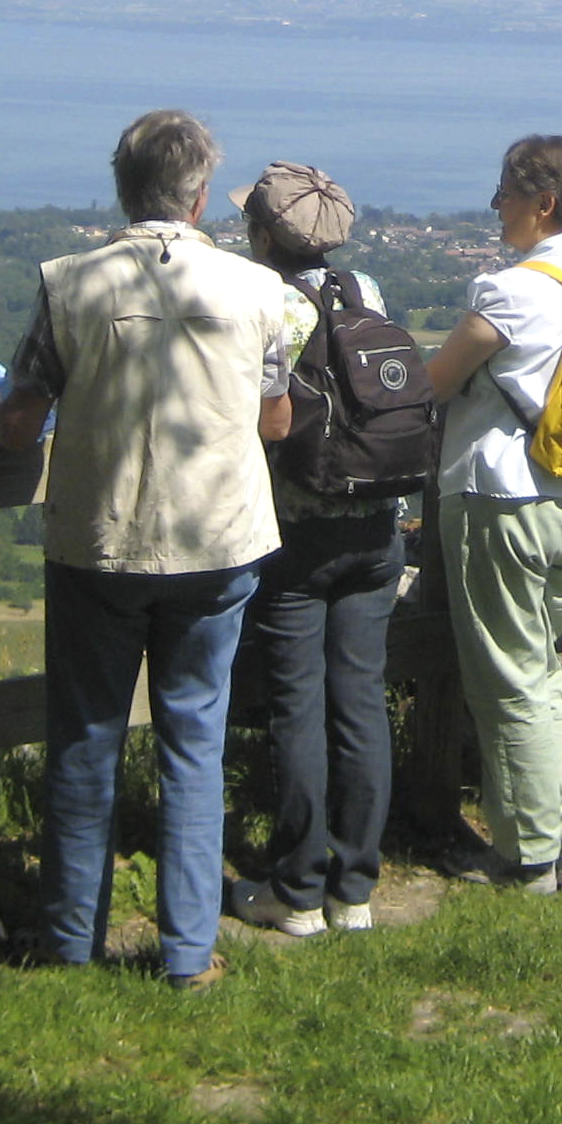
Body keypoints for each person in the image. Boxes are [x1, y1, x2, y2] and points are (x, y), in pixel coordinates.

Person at [0, 110, 294, 992]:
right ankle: (188, 952)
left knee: (85, 737)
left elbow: (17, 422)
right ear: (198, 195)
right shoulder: (259, 290)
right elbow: (275, 419)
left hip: (100, 540)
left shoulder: (71, 283)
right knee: (196, 738)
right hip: (219, 540)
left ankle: (70, 936)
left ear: (121, 185)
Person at [422, 134, 562, 893]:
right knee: (537, 670)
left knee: (507, 679)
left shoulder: (508, 291)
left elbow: (434, 383)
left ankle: (528, 856)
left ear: (542, 203)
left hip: (503, 497)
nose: (495, 206)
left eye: (505, 193)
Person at [224, 163, 403, 937]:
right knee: (360, 701)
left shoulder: (257, 298)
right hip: (375, 523)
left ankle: (296, 889)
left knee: (298, 706)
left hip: (295, 529)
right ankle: (354, 888)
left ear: (265, 234)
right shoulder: (364, 292)